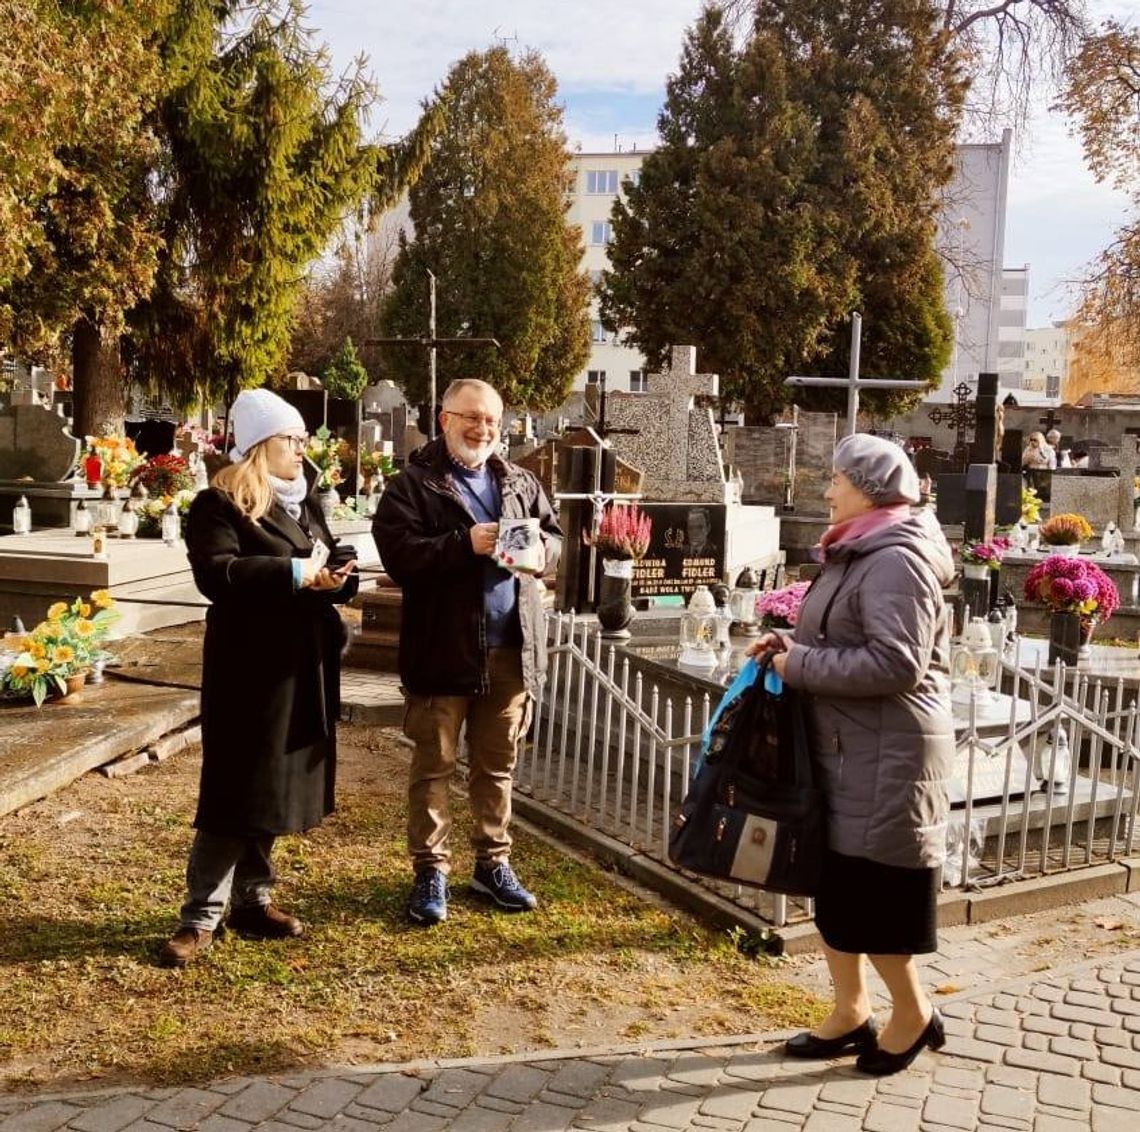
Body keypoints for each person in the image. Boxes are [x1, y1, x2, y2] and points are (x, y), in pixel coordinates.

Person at [748, 433, 954, 1077]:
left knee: (875, 899)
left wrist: (800, 662)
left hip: (887, 754)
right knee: (837, 889)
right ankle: (851, 1009)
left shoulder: (897, 558)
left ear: (867, 487)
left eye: (836, 479)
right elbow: (848, 634)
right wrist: (790, 641)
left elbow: (896, 663)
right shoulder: (857, 549)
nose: (827, 488)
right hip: (846, 750)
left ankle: (915, 1014)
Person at [160, 389, 358, 967]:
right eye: (291, 440)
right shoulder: (217, 505)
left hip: (302, 664)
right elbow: (218, 574)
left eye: (301, 439)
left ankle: (252, 898)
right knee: (236, 787)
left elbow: (323, 562)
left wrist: (337, 577)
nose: (302, 449)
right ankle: (200, 916)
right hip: (250, 666)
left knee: (273, 785)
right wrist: (298, 573)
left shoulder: (302, 500)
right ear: (260, 446)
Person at [373, 378, 561, 926]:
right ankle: (431, 870)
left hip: (511, 649)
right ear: (444, 420)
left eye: (492, 422)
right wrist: (465, 544)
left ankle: (491, 863)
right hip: (443, 648)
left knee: (496, 765)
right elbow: (400, 556)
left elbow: (555, 542)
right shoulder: (413, 485)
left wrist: (539, 553)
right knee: (433, 765)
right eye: (472, 418)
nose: (483, 430)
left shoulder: (521, 481)